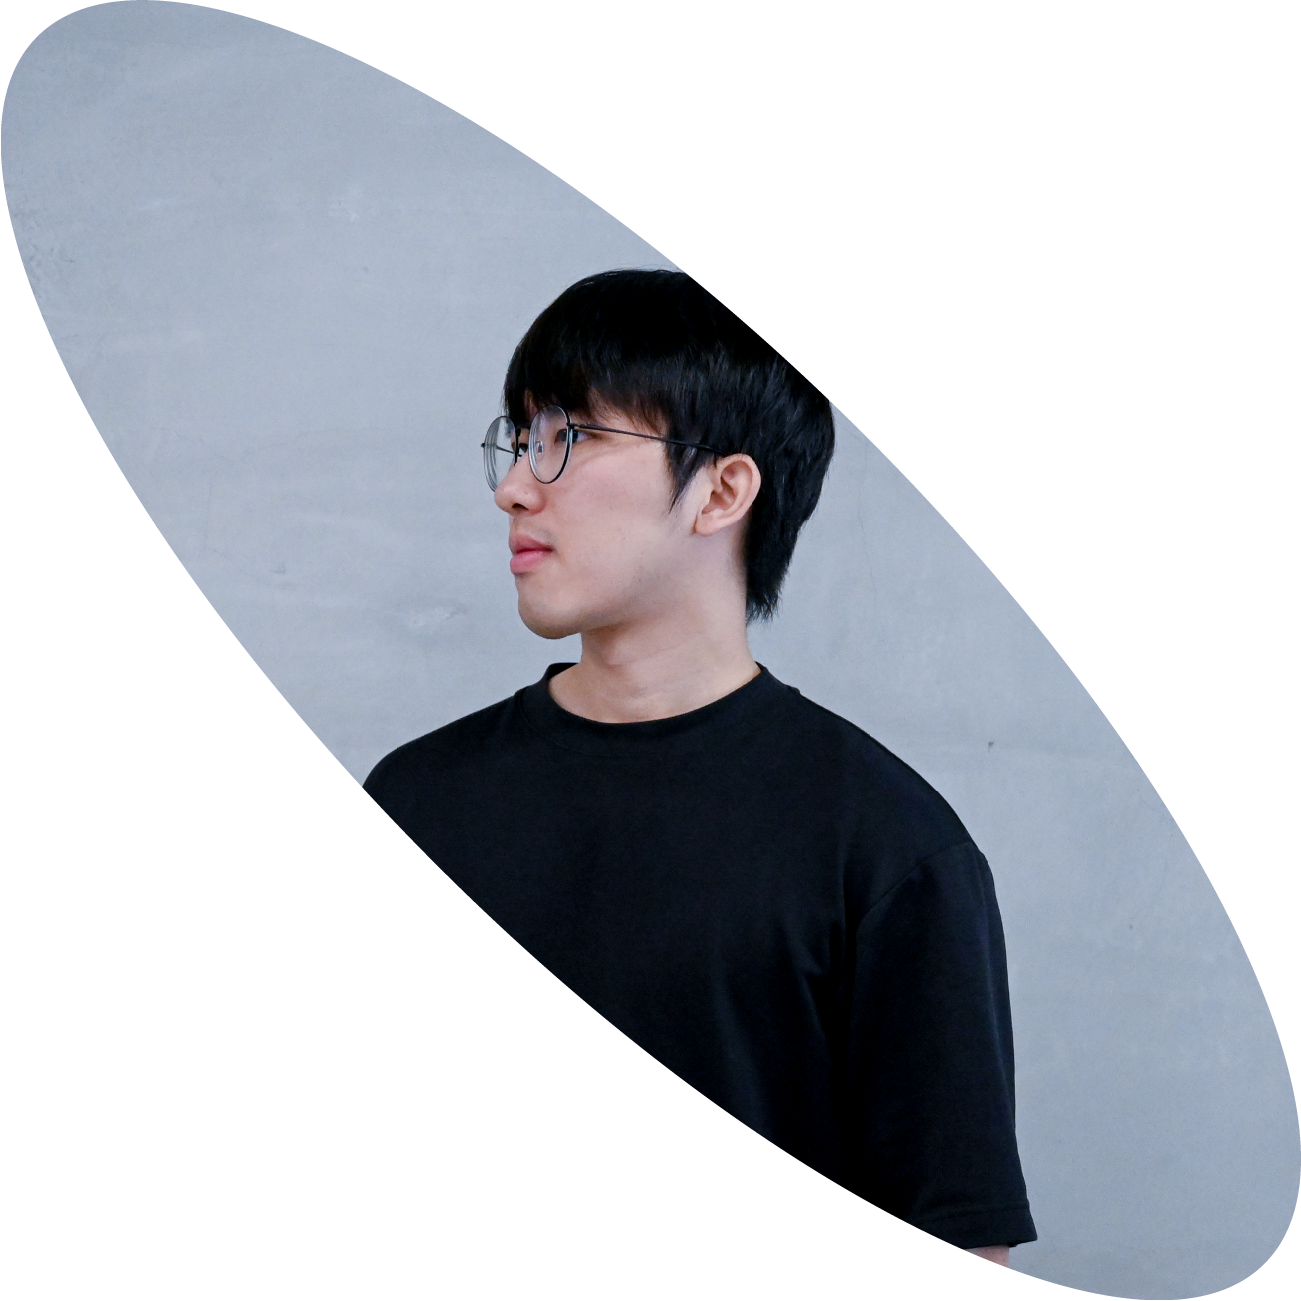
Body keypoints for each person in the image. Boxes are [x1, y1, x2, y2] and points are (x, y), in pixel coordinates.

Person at [357, 268, 1036, 1280]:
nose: (515, 485)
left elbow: (955, 1258)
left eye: (570, 436)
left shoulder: (888, 848)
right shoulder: (411, 804)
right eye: (521, 435)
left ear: (722, 490)